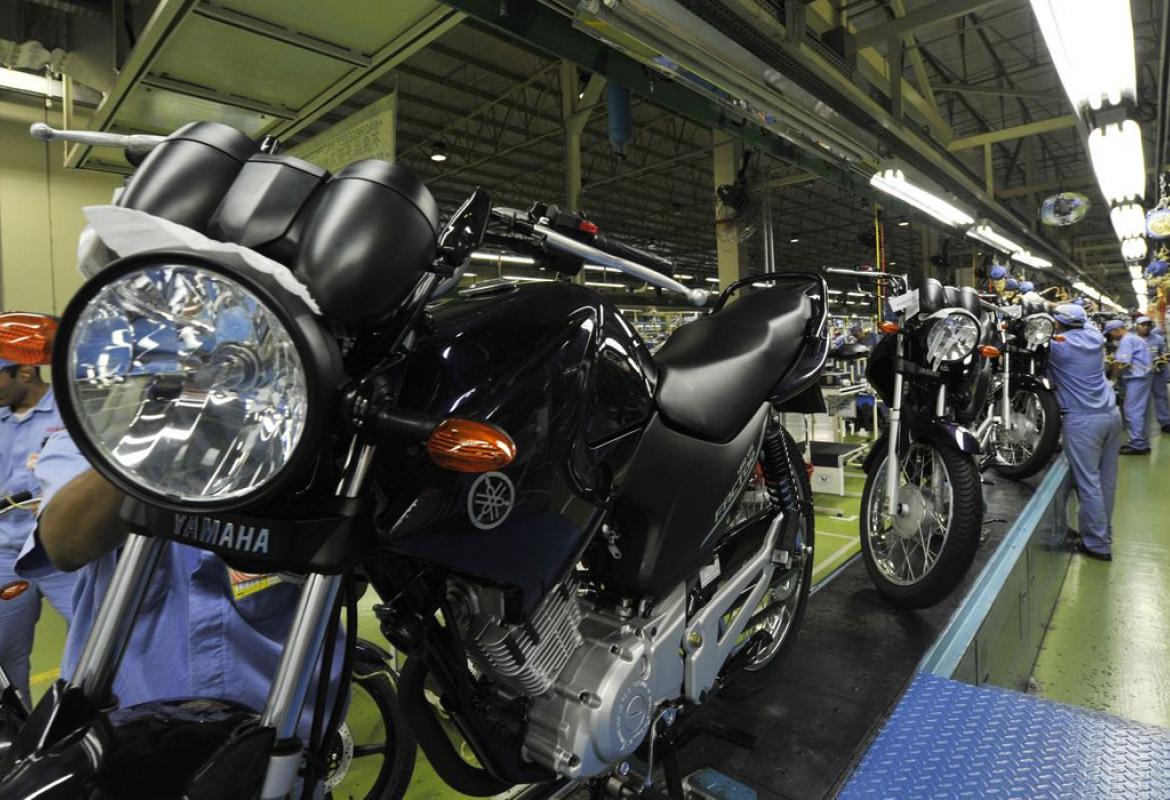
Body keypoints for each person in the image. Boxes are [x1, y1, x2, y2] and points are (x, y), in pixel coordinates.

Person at [16, 431, 344, 739]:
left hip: (280, 723)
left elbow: (348, 585)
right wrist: (174, 432)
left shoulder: (300, 432)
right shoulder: (95, 431)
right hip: (121, 728)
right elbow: (65, 544)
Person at [0, 359, 76, 704]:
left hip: (64, 550)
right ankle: (16, 732)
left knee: (97, 645)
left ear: (25, 373)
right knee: (5, 658)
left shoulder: (72, 409)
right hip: (5, 553)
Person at [1046, 304, 1121, 561]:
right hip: (1111, 415)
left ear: (1058, 324)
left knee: (1089, 484)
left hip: (1083, 421)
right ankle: (1103, 534)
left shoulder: (1058, 347)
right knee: (1106, 482)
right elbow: (1080, 322)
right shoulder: (1095, 337)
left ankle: (1097, 545)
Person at [1111, 316, 1155, 454]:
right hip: (1143, 377)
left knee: (1132, 411)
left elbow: (1122, 363)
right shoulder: (1135, 338)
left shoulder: (1127, 340)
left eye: (1110, 334)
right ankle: (1142, 441)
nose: (1111, 337)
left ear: (1116, 330)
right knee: (1141, 411)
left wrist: (1112, 379)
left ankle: (1138, 445)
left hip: (1137, 379)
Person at [1147, 322, 1170, 433]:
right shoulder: (1133, 339)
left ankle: (1165, 422)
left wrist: (1159, 362)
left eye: (1148, 325)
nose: (1146, 327)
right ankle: (1140, 424)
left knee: (1161, 397)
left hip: (1157, 374)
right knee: (1141, 400)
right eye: (1143, 324)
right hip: (1139, 375)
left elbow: (1165, 355)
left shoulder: (1158, 339)